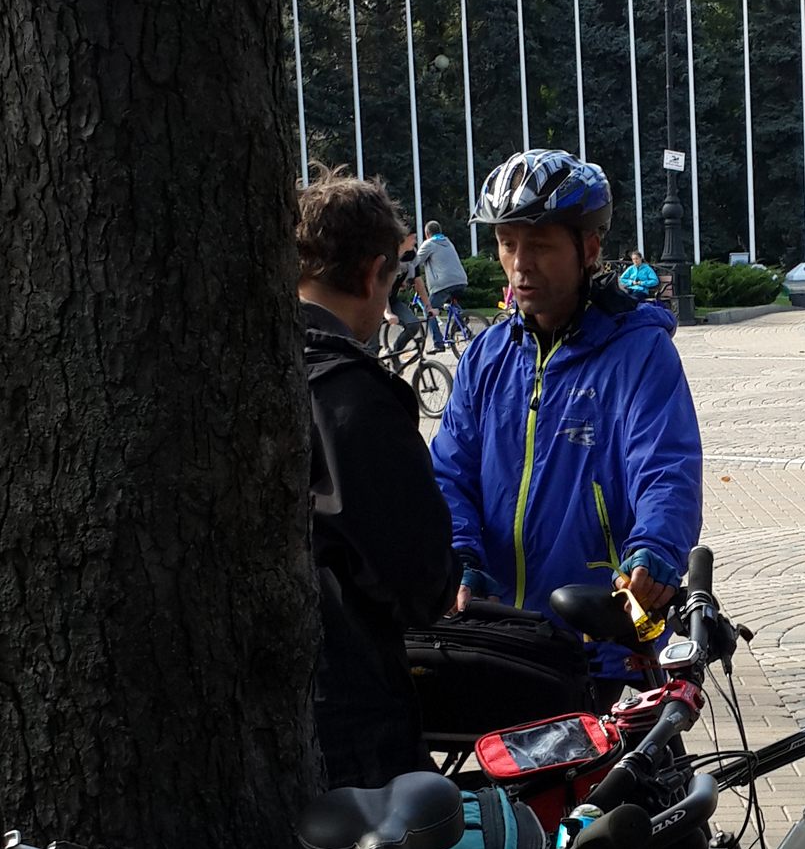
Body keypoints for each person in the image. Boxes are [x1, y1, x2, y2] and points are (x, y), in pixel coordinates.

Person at [432, 150, 702, 636]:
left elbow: (666, 467)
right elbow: (450, 472)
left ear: (589, 248)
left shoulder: (640, 353)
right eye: (507, 243)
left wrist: (656, 546)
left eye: (539, 245)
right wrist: (460, 555)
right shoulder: (486, 356)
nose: (520, 264)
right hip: (497, 631)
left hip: (602, 633)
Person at [298, 170, 456, 786]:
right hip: (350, 705)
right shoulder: (354, 396)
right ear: (372, 274)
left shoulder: (233, 369)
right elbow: (417, 575)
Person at [415, 219, 471, 328]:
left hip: (443, 284)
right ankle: (463, 323)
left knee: (429, 310)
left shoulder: (429, 244)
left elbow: (415, 262)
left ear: (427, 234)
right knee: (451, 304)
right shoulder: (448, 242)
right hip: (461, 280)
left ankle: (437, 339)